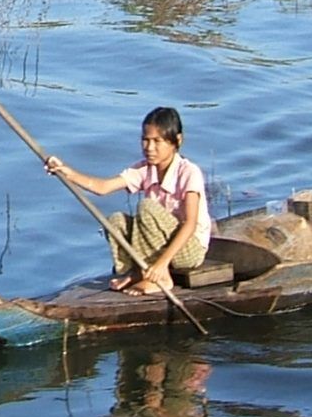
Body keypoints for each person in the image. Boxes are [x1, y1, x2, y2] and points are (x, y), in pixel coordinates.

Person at [45, 106, 212, 295]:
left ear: (177, 141)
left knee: (146, 207)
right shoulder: (144, 169)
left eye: (157, 141)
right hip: (161, 243)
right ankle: (136, 272)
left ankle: (161, 279)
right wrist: (66, 172)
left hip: (189, 250)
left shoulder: (188, 172)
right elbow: (103, 187)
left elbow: (189, 225)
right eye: (145, 140)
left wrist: (161, 264)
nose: (149, 148)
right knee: (116, 221)